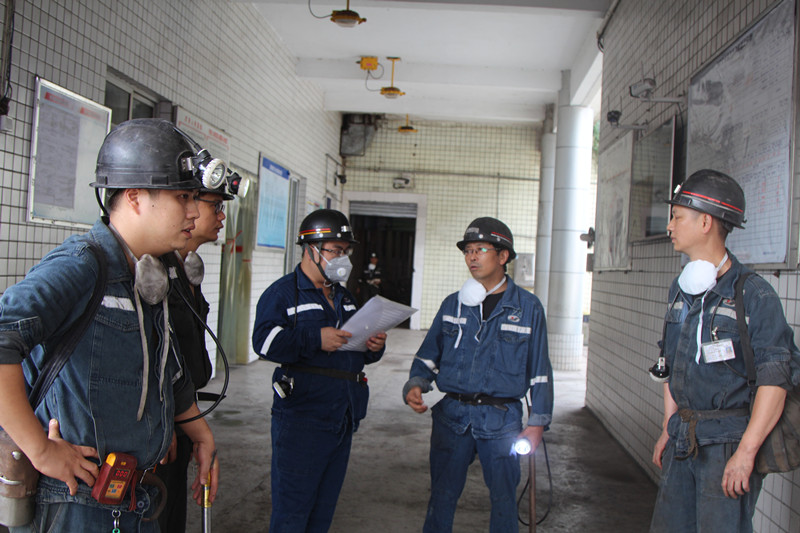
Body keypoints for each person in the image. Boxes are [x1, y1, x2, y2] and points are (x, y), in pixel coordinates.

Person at [0, 118, 219, 532]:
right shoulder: (82, 266)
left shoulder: (148, 274)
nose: (194, 211)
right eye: (182, 197)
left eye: (194, 197)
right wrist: (41, 450)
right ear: (134, 197)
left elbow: (166, 369)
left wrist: (199, 432)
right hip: (74, 501)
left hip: (133, 496)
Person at [650, 169, 797, 532]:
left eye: (677, 217)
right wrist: (669, 427)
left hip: (727, 443)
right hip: (683, 437)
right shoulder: (680, 289)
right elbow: (669, 363)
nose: (669, 226)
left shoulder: (753, 294)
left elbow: (775, 382)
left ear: (705, 223)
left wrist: (746, 452)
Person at [403, 217, 553, 533]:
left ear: (503, 256)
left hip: (501, 419)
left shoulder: (528, 308)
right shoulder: (453, 304)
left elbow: (540, 371)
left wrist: (538, 422)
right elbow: (429, 354)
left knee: (503, 500)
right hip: (452, 416)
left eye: (480, 249)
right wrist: (416, 383)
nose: (472, 257)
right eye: (468, 250)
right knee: (441, 495)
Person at [252, 209, 387, 533]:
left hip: (343, 416)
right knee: (292, 511)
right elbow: (264, 342)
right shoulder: (283, 294)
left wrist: (373, 346)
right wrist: (315, 338)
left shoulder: (344, 296)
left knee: (323, 511)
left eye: (345, 251)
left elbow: (356, 351)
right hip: (303, 419)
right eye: (336, 250)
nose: (343, 258)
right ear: (311, 249)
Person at [156, 172, 234, 532]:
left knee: (173, 514)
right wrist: (162, 417)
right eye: (214, 206)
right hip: (165, 419)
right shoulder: (152, 270)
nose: (221, 216)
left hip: (185, 411)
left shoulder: (185, 269)